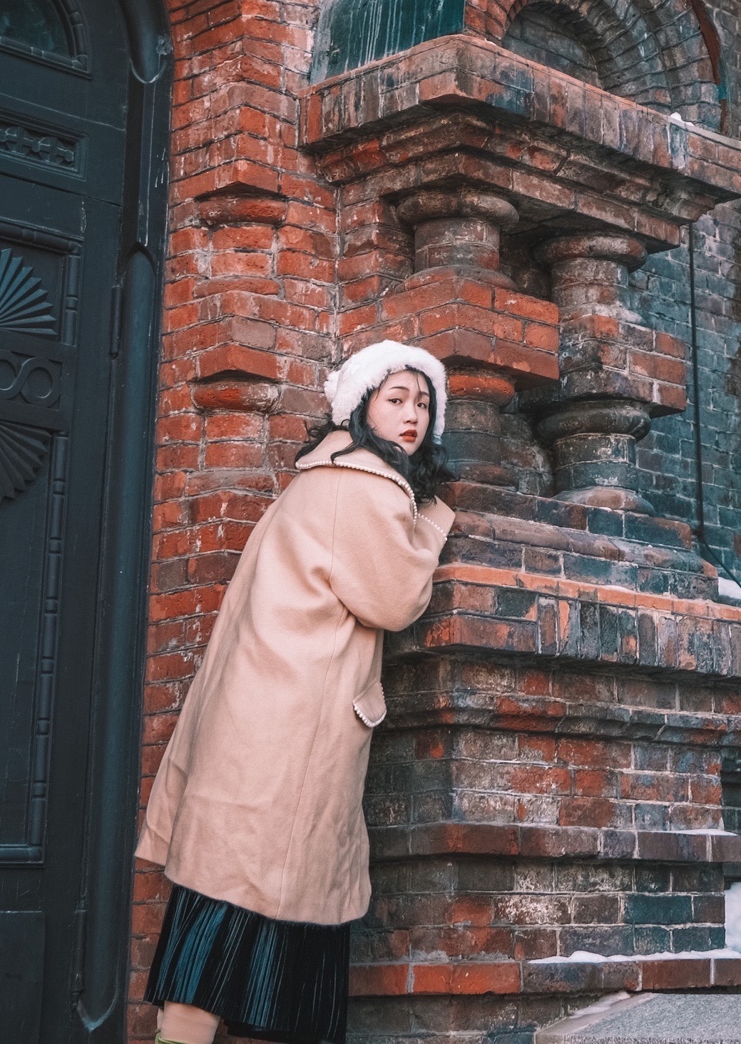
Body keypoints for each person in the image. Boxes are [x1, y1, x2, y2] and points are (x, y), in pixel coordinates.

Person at [135, 340, 454, 1044]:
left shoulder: (320, 478)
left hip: (265, 722)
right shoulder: (363, 485)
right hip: (292, 731)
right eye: (396, 399)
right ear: (361, 407)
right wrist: (433, 521)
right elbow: (395, 598)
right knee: (265, 921)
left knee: (227, 909)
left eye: (423, 403)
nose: (412, 415)